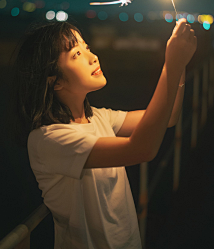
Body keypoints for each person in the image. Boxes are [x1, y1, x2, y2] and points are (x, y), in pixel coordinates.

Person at [13, 18, 197, 249]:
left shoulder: (100, 117)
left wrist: (177, 66)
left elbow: (168, 117)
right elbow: (142, 149)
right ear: (55, 81)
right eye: (76, 55)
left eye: (87, 48)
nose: (93, 57)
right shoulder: (49, 139)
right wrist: (172, 64)